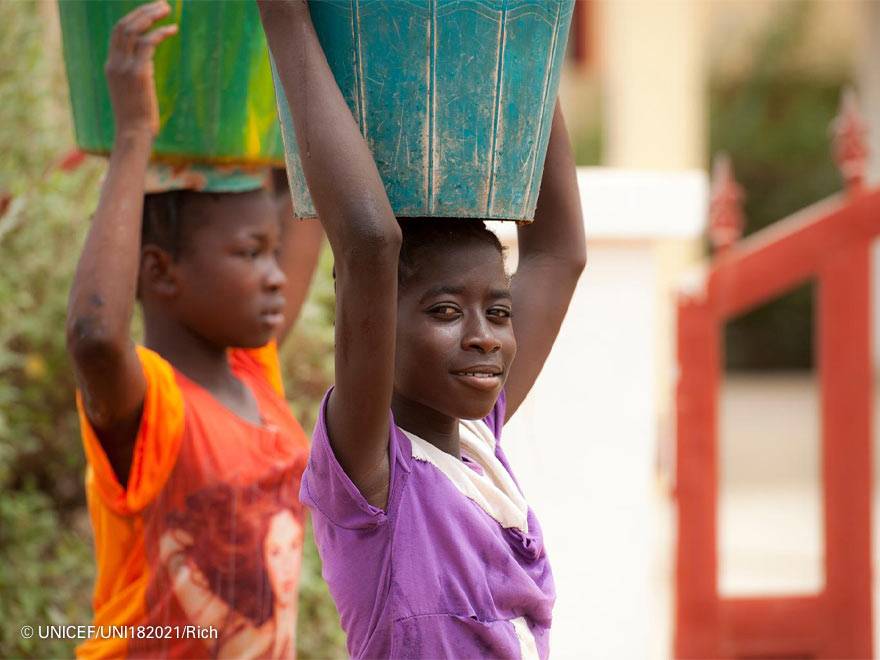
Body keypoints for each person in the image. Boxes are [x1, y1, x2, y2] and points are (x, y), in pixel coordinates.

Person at [259, 2, 586, 658]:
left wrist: (530, 40)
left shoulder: (477, 440)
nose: (484, 336)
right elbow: (369, 242)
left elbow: (559, 255)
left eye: (498, 312)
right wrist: (287, 18)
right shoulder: (374, 477)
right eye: (444, 311)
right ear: (377, 319)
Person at [65, 3, 322, 658]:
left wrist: (306, 53)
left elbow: (314, 204)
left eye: (273, 251)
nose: (276, 276)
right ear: (161, 271)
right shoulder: (154, 403)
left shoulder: (253, 374)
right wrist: (134, 135)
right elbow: (95, 336)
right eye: (251, 254)